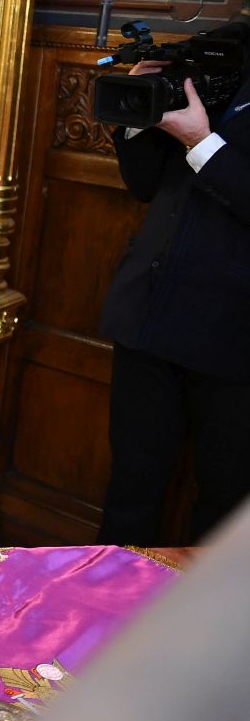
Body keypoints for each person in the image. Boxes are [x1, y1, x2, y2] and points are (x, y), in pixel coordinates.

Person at [96, 46, 250, 545]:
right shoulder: (218, 62)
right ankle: (108, 591)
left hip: (232, 335)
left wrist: (202, 143)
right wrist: (141, 110)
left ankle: (202, 601)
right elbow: (145, 185)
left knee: (223, 503)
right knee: (131, 488)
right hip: (147, 315)